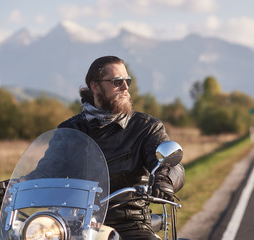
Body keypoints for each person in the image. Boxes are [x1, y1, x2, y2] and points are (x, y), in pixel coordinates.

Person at [58, 56, 185, 239]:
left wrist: (165, 178)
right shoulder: (69, 130)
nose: (125, 87)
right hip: (77, 224)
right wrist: (15, 185)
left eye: (127, 81)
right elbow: (48, 170)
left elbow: (169, 164)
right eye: (118, 82)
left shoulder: (145, 127)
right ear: (95, 86)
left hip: (130, 222)